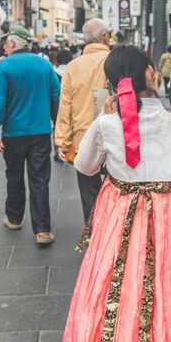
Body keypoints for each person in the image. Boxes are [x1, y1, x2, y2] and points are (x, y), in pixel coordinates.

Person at [62, 45, 171, 342]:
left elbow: (84, 166)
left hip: (118, 215)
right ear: (152, 74)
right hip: (164, 218)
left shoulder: (107, 124)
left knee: (113, 287)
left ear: (112, 86)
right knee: (160, 294)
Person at [0, 25, 60, 245]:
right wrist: (56, 122)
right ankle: (43, 230)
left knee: (15, 176)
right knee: (39, 179)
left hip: (13, 132)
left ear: (12, 44)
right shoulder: (44, 65)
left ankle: (13, 217)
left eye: (4, 43)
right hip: (40, 131)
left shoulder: (5, 66)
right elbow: (56, 95)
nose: (3, 47)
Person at [55, 18, 110, 222]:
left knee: (88, 190)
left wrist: (62, 141)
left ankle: (93, 233)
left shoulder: (72, 66)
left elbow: (65, 106)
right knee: (116, 187)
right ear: (105, 37)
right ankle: (111, 235)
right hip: (113, 138)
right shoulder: (114, 60)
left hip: (82, 139)